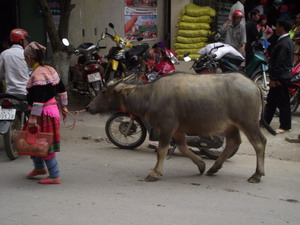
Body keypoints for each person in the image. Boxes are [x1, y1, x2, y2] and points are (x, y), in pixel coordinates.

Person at [24, 41, 69, 184]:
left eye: (26, 59)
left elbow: (38, 100)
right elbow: (62, 88)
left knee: (44, 144)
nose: (26, 61)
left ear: (30, 58)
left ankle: (55, 176)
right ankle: (39, 168)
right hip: (52, 111)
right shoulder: (50, 69)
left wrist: (32, 117)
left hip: (43, 115)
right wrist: (64, 106)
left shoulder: (37, 74)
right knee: (33, 141)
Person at [264, 18, 294, 134]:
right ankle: (265, 121)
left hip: (280, 77)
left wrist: (273, 79)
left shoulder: (283, 43)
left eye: (277, 26)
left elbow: (279, 64)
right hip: (281, 76)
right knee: (272, 101)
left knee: (283, 102)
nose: (275, 28)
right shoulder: (287, 41)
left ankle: (285, 126)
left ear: (281, 27)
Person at [0, 29, 30, 96]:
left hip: (10, 93)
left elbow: (0, 74)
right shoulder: (27, 54)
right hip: (26, 92)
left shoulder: (4, 54)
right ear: (20, 41)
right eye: (26, 40)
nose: (27, 42)